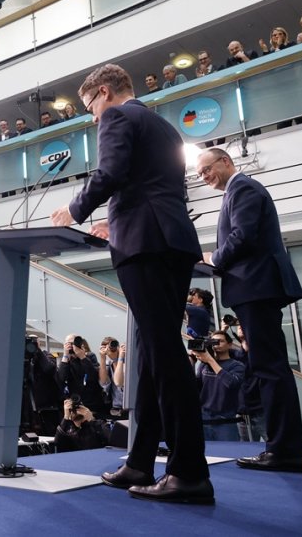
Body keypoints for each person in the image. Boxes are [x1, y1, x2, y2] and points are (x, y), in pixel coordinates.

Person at [50, 63, 211, 504]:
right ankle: (140, 461)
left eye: (91, 107)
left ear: (105, 92)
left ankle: (189, 472)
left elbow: (112, 173)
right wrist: (115, 219)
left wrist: (75, 210)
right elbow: (149, 186)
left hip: (146, 246)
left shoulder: (119, 117)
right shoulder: (162, 125)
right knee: (149, 356)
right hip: (170, 240)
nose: (93, 117)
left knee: (165, 357)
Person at [198, 147, 302, 472]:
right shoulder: (237, 191)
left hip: (257, 286)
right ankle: (283, 449)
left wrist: (213, 259)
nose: (204, 177)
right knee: (268, 367)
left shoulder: (243, 187)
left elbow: (242, 236)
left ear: (226, 161)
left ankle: (283, 451)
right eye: (200, 174)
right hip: (255, 287)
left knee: (270, 369)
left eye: (207, 169)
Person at [193, 331, 246, 441]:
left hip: (225, 421)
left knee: (229, 453)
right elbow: (196, 387)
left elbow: (232, 383)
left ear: (230, 344)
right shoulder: (204, 365)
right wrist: (192, 360)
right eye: (213, 342)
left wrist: (211, 361)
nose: (216, 344)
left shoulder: (237, 365)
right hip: (204, 419)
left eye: (220, 341)